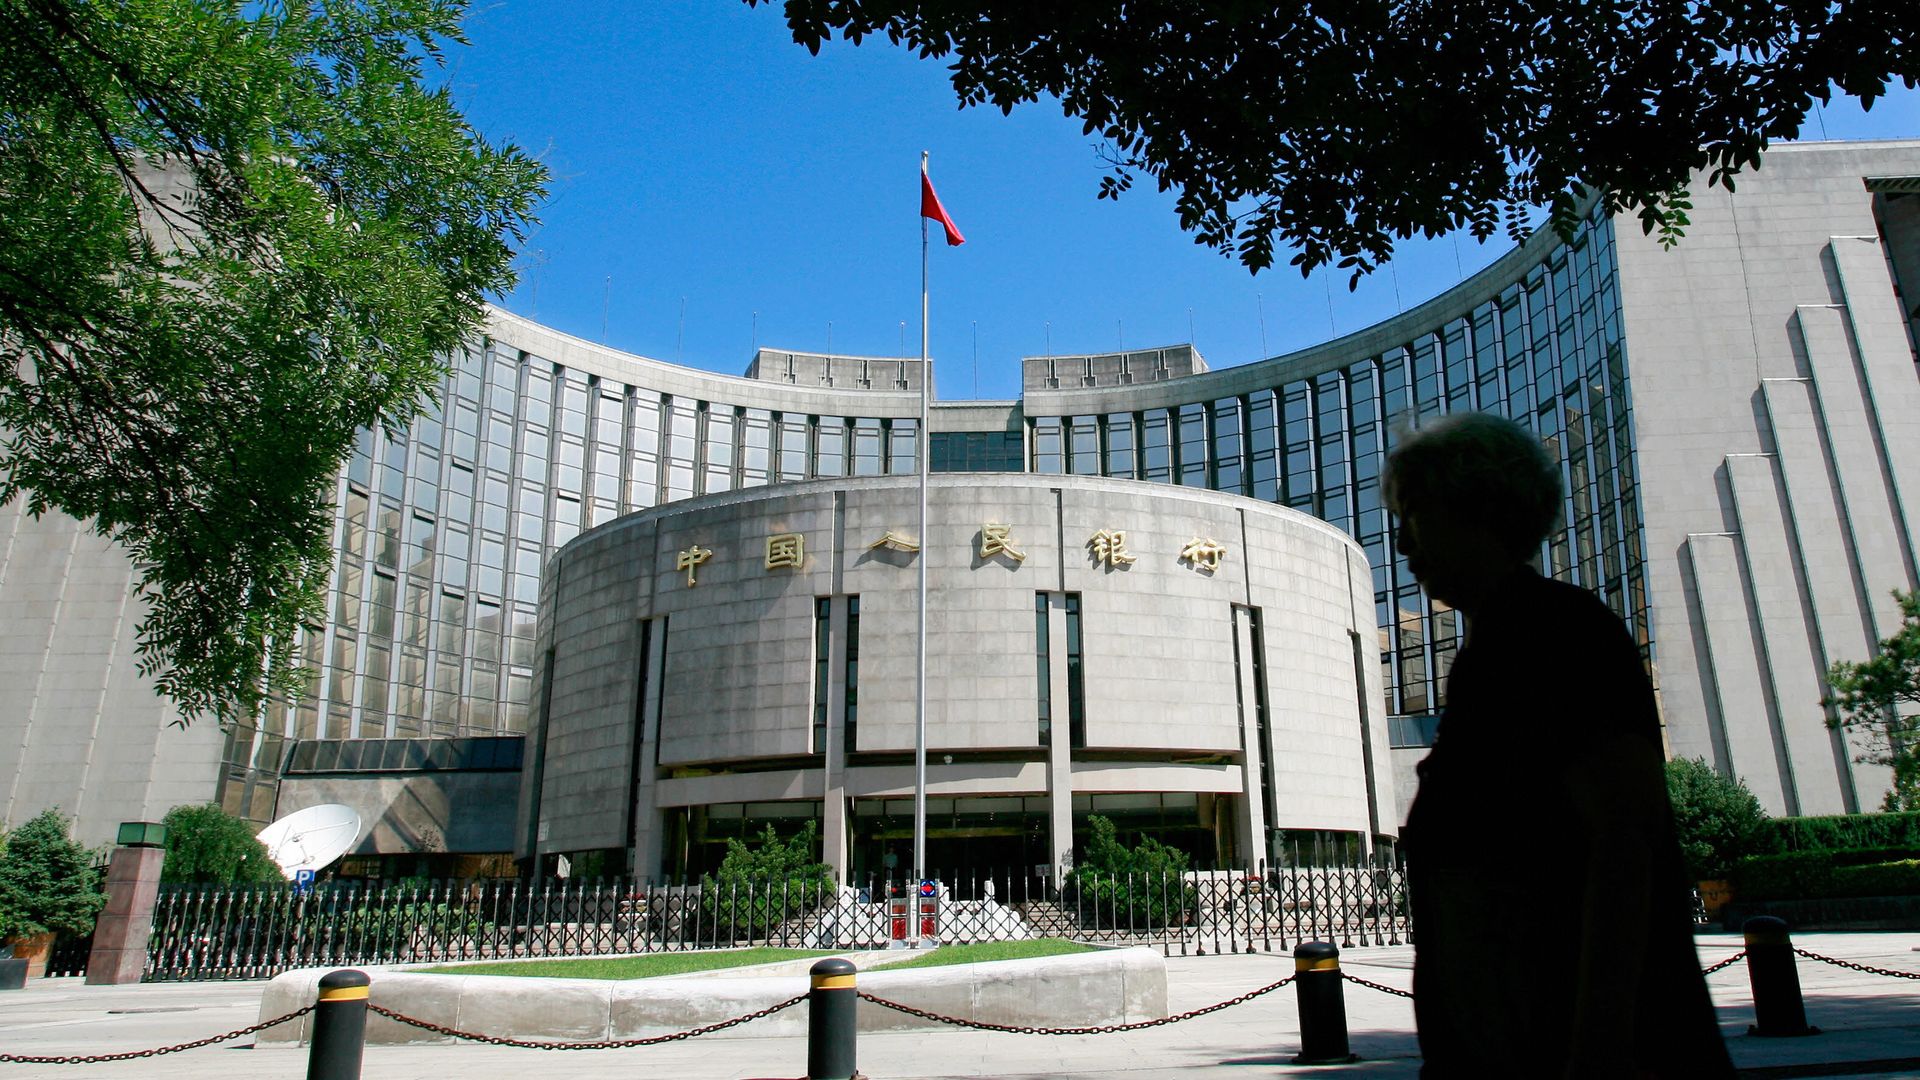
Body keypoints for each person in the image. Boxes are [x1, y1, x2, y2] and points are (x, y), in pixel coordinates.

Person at [1384, 412, 1732, 1078]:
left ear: (1475, 509)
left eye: (1415, 514)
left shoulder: (1558, 633)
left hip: (1574, 1048)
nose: (1402, 544)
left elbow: (1624, 839)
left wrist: (1598, 1046)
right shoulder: (1491, 649)